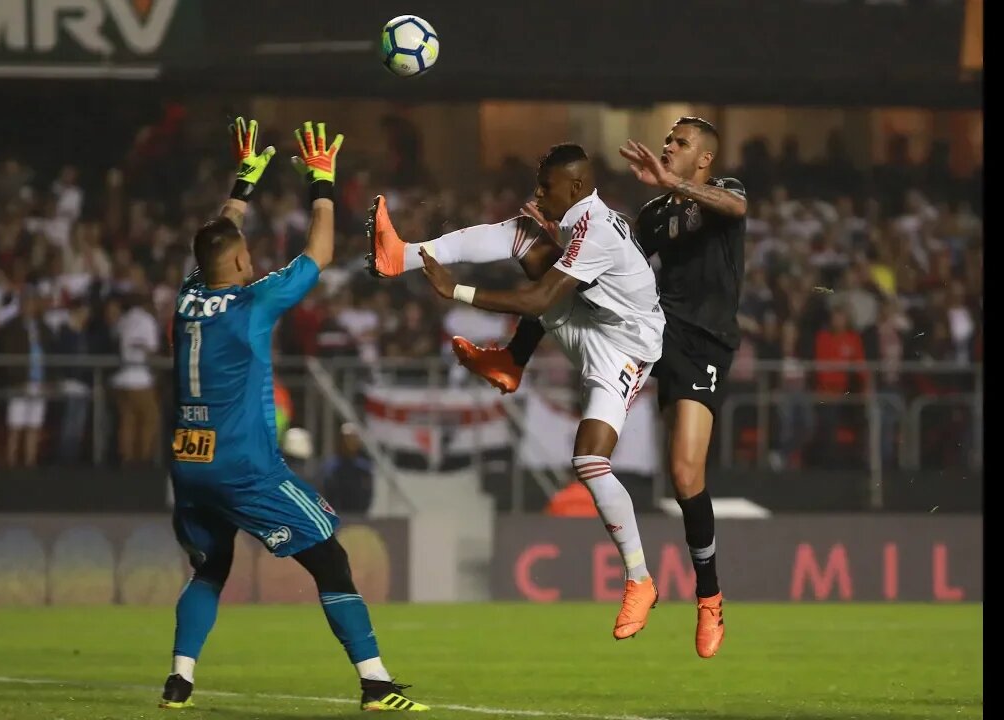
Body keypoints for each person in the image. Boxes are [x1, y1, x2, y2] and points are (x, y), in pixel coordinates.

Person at [370, 118, 742, 659]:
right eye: (669, 141)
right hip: (646, 326)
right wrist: (560, 228)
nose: (668, 146)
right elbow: (612, 262)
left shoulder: (722, 194)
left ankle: (708, 597)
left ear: (704, 160)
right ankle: (414, 267)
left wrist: (460, 291)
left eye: (679, 143)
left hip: (698, 342)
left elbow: (734, 213)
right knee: (528, 242)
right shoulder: (650, 216)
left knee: (686, 475)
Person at [161, 117, 428, 712]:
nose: (252, 257)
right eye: (248, 254)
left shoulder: (186, 298)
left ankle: (179, 680)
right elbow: (321, 252)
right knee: (329, 553)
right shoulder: (253, 301)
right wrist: (323, 184)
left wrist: (245, 181)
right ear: (235, 264)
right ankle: (376, 684)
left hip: (188, 463)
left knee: (210, 567)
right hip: (243, 466)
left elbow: (216, 235)